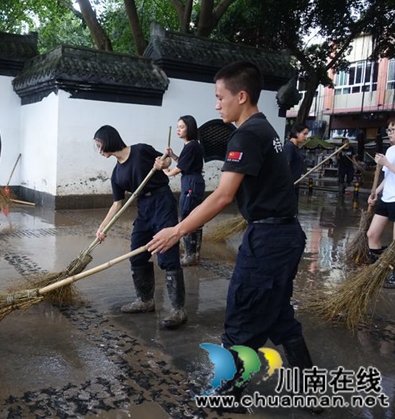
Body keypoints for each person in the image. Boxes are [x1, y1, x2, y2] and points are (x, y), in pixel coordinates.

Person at [147, 62, 319, 409]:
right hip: (283, 236)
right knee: (279, 316)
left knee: (242, 313)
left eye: (219, 97)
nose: (216, 105)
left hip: (269, 242)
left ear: (241, 96)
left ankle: (229, 393)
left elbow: (223, 195)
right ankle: (311, 392)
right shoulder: (265, 129)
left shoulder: (247, 134)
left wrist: (178, 230)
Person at [94, 125, 186, 329]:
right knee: (137, 254)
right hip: (143, 208)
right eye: (97, 147)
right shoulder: (117, 174)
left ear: (110, 140)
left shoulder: (141, 150)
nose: (100, 151)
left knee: (166, 252)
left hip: (162, 201)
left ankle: (178, 310)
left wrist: (163, 164)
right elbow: (117, 204)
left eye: (100, 146)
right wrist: (103, 228)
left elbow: (166, 160)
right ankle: (145, 300)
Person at [164, 115, 205, 266]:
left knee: (187, 217)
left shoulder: (191, 146)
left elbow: (180, 168)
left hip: (191, 183)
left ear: (190, 128)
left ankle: (189, 256)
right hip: (194, 182)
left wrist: (167, 172)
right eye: (177, 127)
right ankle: (195, 254)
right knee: (195, 217)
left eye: (181, 127)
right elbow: (184, 162)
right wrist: (173, 155)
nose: (178, 130)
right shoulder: (193, 145)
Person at [366, 116, 395, 289]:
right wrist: (375, 193)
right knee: (372, 234)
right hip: (386, 198)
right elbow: (387, 177)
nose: (389, 133)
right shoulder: (390, 150)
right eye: (388, 130)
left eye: (393, 130)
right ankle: (380, 269)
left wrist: (386, 163)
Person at [284, 123, 309, 208]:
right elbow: (285, 166)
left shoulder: (297, 148)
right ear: (296, 133)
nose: (305, 137)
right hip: (289, 184)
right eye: (304, 134)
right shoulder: (289, 146)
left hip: (296, 182)